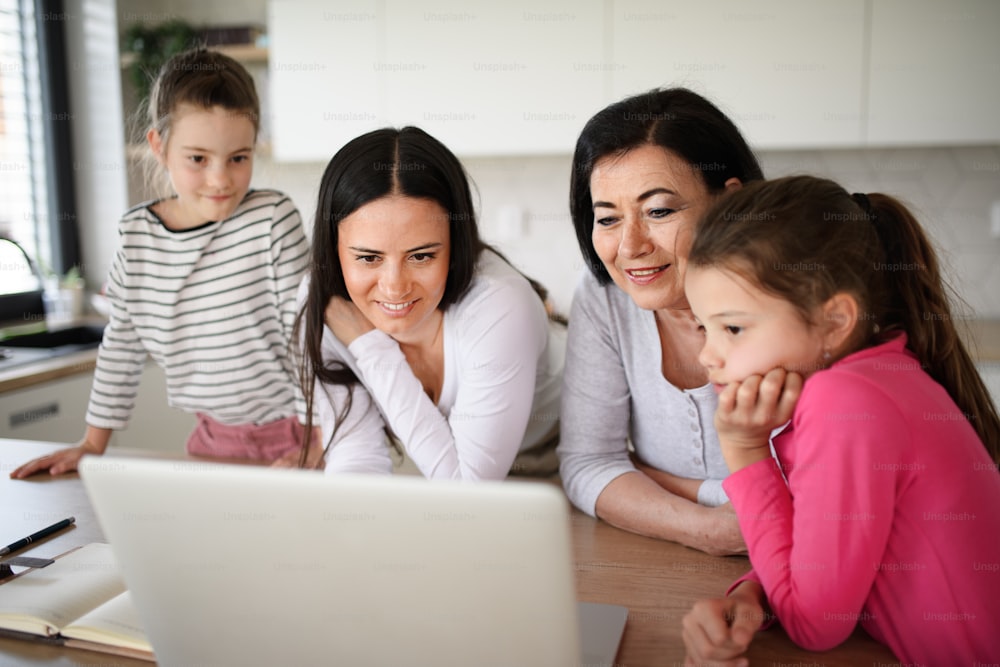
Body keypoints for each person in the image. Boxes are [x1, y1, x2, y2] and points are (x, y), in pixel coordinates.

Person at [681, 175, 1000, 665]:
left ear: (834, 321)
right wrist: (754, 595)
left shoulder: (846, 401)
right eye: (704, 328)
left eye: (733, 328)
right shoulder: (875, 378)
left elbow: (815, 626)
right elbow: (827, 550)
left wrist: (746, 454)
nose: (709, 356)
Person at [10, 48, 321, 478]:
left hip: (298, 436)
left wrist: (318, 436)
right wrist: (91, 444)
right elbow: (122, 345)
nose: (221, 179)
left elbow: (309, 332)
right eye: (198, 159)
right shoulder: (137, 236)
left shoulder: (271, 219)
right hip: (211, 440)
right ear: (159, 145)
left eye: (239, 158)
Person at [557, 87, 763, 555]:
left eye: (659, 211)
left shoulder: (791, 304)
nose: (630, 246)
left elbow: (817, 489)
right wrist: (708, 527)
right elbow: (588, 465)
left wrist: (655, 479)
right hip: (671, 569)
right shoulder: (605, 299)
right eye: (607, 219)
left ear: (729, 202)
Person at [294, 126, 563, 479]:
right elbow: (356, 452)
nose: (394, 288)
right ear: (334, 251)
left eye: (421, 256)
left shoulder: (499, 304)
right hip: (486, 479)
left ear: (455, 245)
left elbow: (467, 489)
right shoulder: (325, 303)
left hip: (565, 457)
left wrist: (370, 346)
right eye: (368, 258)